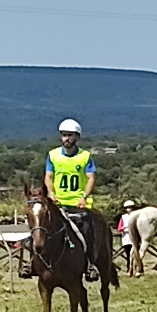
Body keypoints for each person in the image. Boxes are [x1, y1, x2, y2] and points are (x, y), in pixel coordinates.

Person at [30, 118, 100, 281]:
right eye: (63, 135)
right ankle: (32, 262)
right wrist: (51, 194)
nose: (66, 138)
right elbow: (48, 176)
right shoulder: (53, 156)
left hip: (77, 204)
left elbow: (91, 178)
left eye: (70, 135)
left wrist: (84, 197)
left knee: (87, 230)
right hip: (57, 203)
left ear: (77, 137)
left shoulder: (85, 157)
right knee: (38, 226)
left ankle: (90, 263)